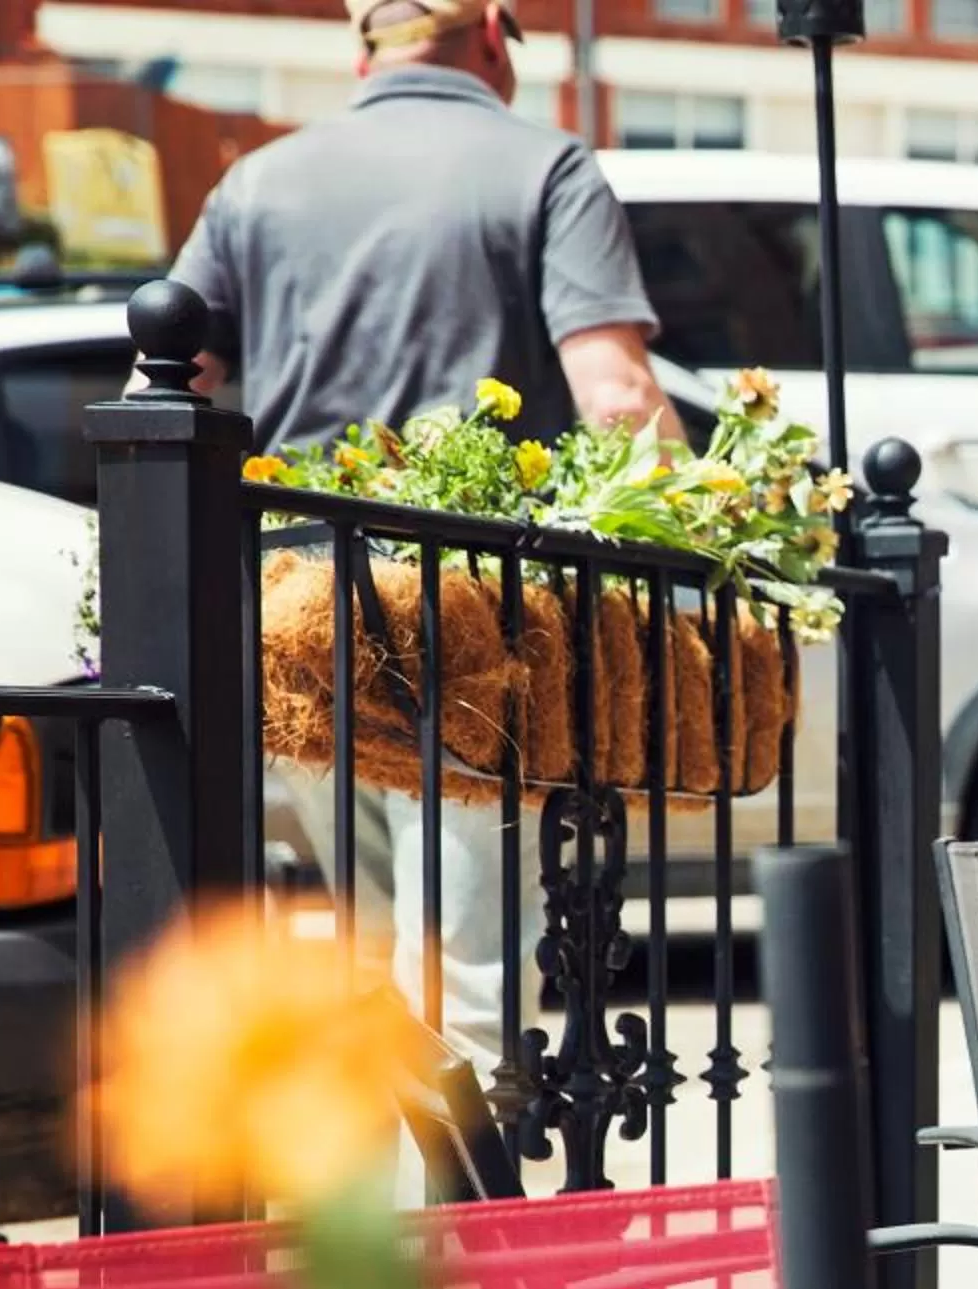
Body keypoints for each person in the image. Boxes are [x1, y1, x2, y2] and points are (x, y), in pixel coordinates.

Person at [158, 0, 681, 1077]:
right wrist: (708, 544)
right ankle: (448, 1234)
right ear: (493, 34)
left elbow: (168, 378)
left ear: (362, 48)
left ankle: (384, 1225)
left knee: (373, 955)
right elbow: (618, 396)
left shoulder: (257, 181)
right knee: (461, 979)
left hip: (296, 611)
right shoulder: (547, 167)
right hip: (467, 623)